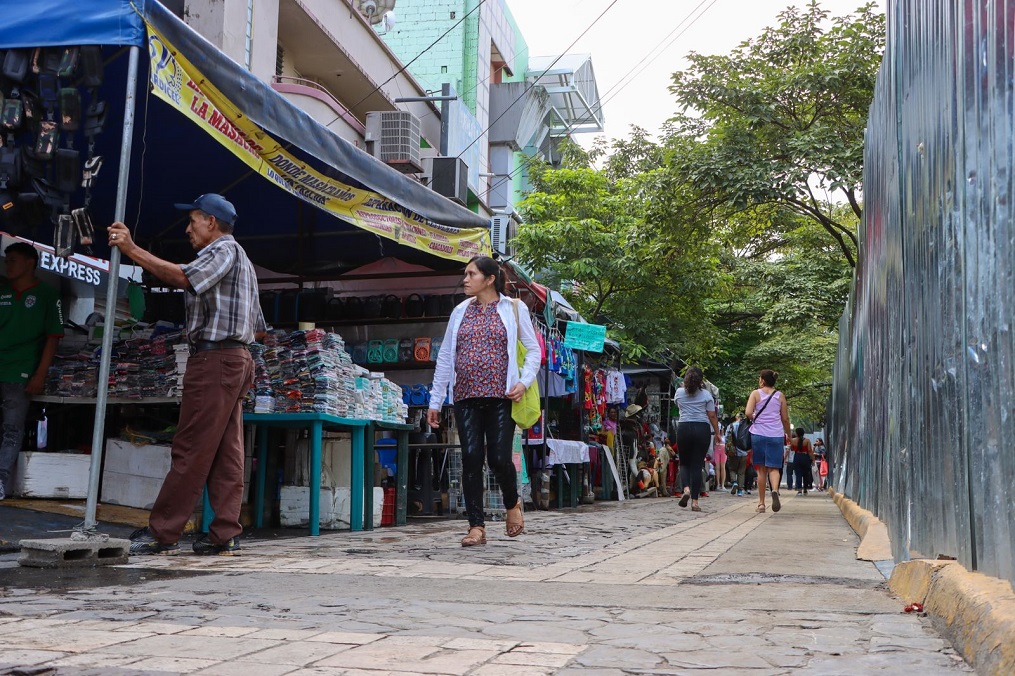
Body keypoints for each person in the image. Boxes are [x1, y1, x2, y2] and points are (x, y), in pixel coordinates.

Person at [108, 194, 265, 556]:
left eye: (192, 221)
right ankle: (223, 533)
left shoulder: (222, 250)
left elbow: (182, 277)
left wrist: (132, 249)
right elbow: (260, 328)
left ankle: (163, 531)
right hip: (236, 359)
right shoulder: (243, 261)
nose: (187, 229)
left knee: (192, 448)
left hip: (216, 360)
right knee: (227, 452)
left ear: (211, 221)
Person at [428, 255, 540, 546]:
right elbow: (445, 358)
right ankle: (476, 526)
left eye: (471, 274)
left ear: (490, 279)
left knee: (499, 458)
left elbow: (533, 350)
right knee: (471, 459)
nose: (465, 279)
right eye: (465, 274)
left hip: (500, 397)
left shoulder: (514, 309)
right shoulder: (459, 312)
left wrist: (523, 381)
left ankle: (512, 503)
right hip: (465, 397)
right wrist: (435, 401)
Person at [0, 243, 64, 500]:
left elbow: (53, 337)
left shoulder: (48, 295)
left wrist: (40, 374)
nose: (8, 265)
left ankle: (1, 480)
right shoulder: (2, 291)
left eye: (12, 259)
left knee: (12, 429)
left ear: (29, 263)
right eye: (6, 260)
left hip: (20, 372)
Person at [673, 367, 722, 512]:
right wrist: (718, 433)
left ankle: (686, 489)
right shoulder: (706, 395)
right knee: (696, 465)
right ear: (700, 380)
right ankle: (695, 502)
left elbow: (679, 405)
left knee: (684, 463)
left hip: (684, 429)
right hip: (702, 429)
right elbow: (712, 415)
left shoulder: (679, 392)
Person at [744, 369, 790, 513]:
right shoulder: (780, 396)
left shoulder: (755, 393)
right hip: (776, 435)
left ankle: (762, 504)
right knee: (774, 468)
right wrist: (788, 434)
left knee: (761, 470)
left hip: (758, 434)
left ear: (763, 380)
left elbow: (748, 413)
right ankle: (775, 490)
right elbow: (785, 418)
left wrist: (756, 417)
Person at [726, 414, 749, 496]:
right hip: (744, 452)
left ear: (736, 418)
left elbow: (726, 438)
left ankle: (734, 482)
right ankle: (740, 490)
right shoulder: (746, 426)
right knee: (741, 472)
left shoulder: (731, 426)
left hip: (733, 452)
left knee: (732, 469)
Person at [789, 428, 813, 494]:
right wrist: (813, 460)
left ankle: (799, 490)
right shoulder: (807, 441)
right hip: (805, 457)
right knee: (806, 474)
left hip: (797, 457)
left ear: (796, 433)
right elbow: (810, 451)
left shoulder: (793, 440)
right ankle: (805, 489)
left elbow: (791, 449)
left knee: (798, 474)